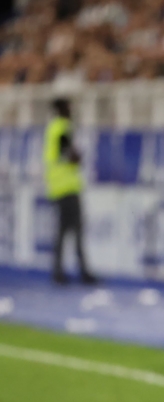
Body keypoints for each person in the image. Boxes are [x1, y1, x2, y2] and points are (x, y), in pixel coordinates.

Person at [44, 97, 96, 285]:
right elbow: (68, 153)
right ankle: (82, 271)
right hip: (67, 186)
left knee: (63, 230)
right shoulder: (62, 127)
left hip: (57, 186)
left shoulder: (52, 128)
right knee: (75, 230)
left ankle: (59, 271)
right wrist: (78, 156)